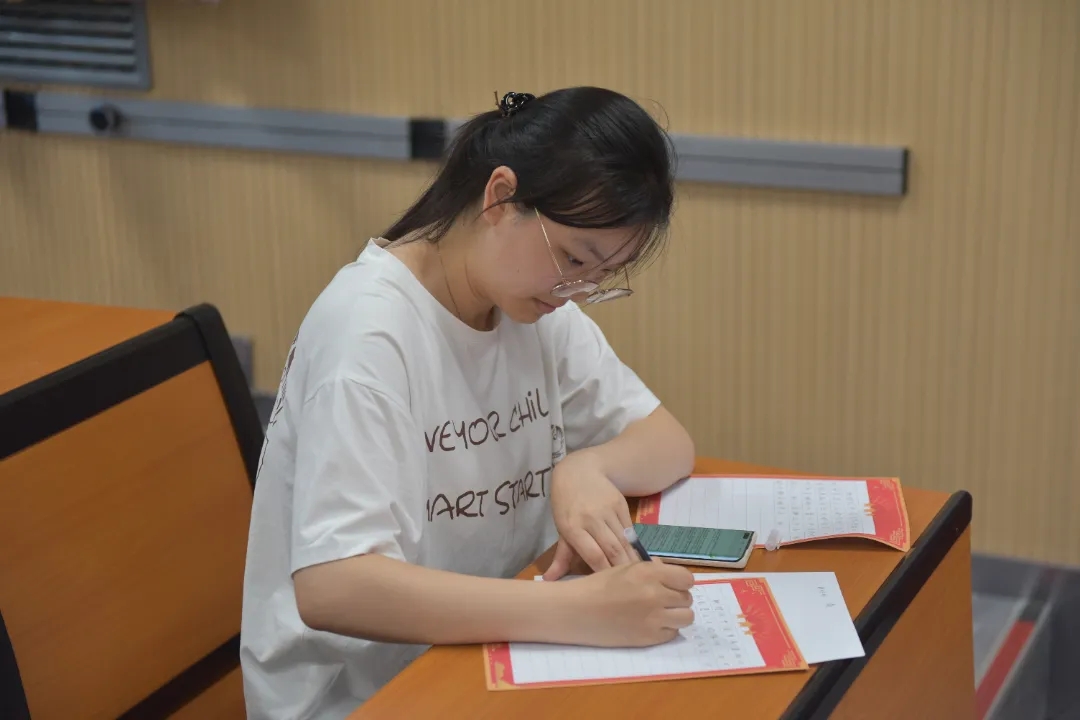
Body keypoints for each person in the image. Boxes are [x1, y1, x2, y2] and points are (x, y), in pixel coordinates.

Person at [240, 86, 697, 720]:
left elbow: (669, 442)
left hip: (487, 652)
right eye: (573, 258)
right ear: (500, 197)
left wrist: (587, 467)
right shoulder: (368, 335)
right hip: (363, 695)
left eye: (597, 278)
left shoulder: (532, 308)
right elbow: (333, 586)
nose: (574, 291)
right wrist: (576, 611)